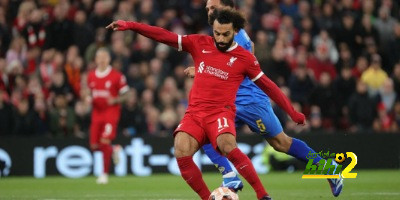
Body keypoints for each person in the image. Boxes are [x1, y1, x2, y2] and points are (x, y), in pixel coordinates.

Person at [107, 9, 305, 200]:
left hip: (227, 110)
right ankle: (211, 194)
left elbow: (269, 86)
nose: (219, 38)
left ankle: (267, 193)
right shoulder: (199, 43)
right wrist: (131, 26)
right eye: (216, 33)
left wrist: (292, 112)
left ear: (235, 31)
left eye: (225, 34)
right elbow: (163, 35)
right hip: (195, 114)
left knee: (274, 143)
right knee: (181, 149)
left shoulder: (245, 57)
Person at [184, 0, 344, 197]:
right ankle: (229, 175)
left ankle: (327, 168)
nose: (208, 11)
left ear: (228, 10)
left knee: (281, 143)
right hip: (228, 102)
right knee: (204, 133)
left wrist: (201, 72)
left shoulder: (236, 37)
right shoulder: (225, 33)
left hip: (249, 101)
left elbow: (232, 67)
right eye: (207, 8)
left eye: (213, 8)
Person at [86, 48, 129, 184]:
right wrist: (87, 98)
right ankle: (114, 149)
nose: (102, 60)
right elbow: (88, 92)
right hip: (96, 113)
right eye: (100, 57)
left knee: (104, 141)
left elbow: (126, 95)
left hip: (111, 113)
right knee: (94, 145)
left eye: (105, 57)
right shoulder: (91, 75)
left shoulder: (117, 76)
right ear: (96, 59)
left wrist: (115, 100)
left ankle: (104, 174)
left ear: (109, 59)